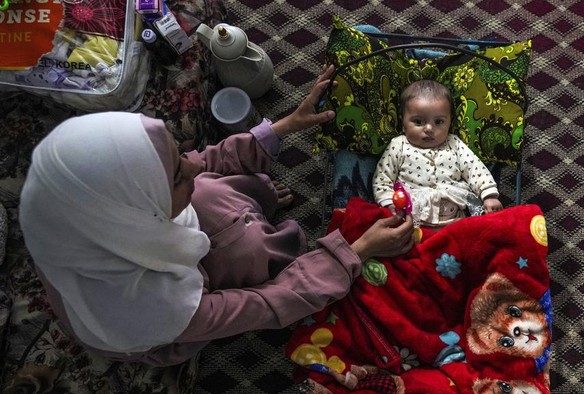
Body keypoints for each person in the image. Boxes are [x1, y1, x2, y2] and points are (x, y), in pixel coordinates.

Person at [18, 65, 416, 367]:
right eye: (176, 178)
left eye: (177, 157)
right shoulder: (158, 307)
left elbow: (199, 160)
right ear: (139, 216)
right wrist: (355, 251)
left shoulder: (70, 204)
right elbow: (266, 303)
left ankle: (246, 209)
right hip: (176, 326)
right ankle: (253, 227)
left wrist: (283, 126)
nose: (192, 167)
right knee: (247, 244)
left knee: (207, 190)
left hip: (154, 251)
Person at [373, 79, 503, 228]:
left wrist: (489, 196)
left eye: (439, 122)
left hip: (456, 221)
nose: (429, 128)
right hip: (411, 222)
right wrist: (389, 203)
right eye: (418, 121)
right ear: (403, 123)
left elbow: (475, 169)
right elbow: (382, 179)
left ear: (450, 123)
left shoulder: (454, 144)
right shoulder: (398, 145)